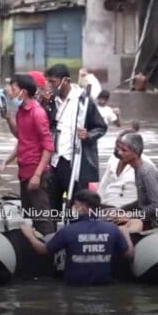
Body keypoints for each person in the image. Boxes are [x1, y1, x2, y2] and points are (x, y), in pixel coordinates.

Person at [20, 189, 134, 285]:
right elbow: (129, 254)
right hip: (104, 285)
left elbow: (43, 250)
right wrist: (126, 233)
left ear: (84, 208)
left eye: (75, 206)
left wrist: (30, 235)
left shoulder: (68, 230)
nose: (73, 209)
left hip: (74, 287)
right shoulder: (112, 229)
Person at [45, 64, 108, 212]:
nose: (49, 85)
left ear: (65, 81)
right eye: (48, 81)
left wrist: (88, 135)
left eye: (52, 82)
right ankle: (53, 233)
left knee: (78, 202)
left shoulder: (83, 101)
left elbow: (101, 127)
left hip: (75, 162)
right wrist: (45, 104)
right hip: (54, 161)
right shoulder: (51, 101)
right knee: (52, 203)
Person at [0, 74, 56, 234]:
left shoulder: (37, 113)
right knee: (29, 215)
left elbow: (48, 147)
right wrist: (8, 118)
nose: (10, 91)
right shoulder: (21, 111)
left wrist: (37, 175)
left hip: (35, 172)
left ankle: (50, 250)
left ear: (23, 92)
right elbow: (21, 137)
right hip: (24, 171)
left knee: (42, 217)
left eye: (13, 88)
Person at [111, 133, 158, 233]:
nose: (120, 153)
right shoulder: (138, 170)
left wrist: (130, 215)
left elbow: (157, 205)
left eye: (124, 150)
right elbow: (143, 202)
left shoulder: (146, 172)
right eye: (119, 149)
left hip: (157, 227)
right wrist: (121, 210)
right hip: (146, 222)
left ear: (136, 152)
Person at [98, 125, 154, 208]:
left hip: (129, 211)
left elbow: (152, 200)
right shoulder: (113, 160)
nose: (118, 151)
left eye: (122, 148)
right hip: (106, 208)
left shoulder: (146, 166)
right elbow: (103, 186)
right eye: (117, 146)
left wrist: (127, 212)